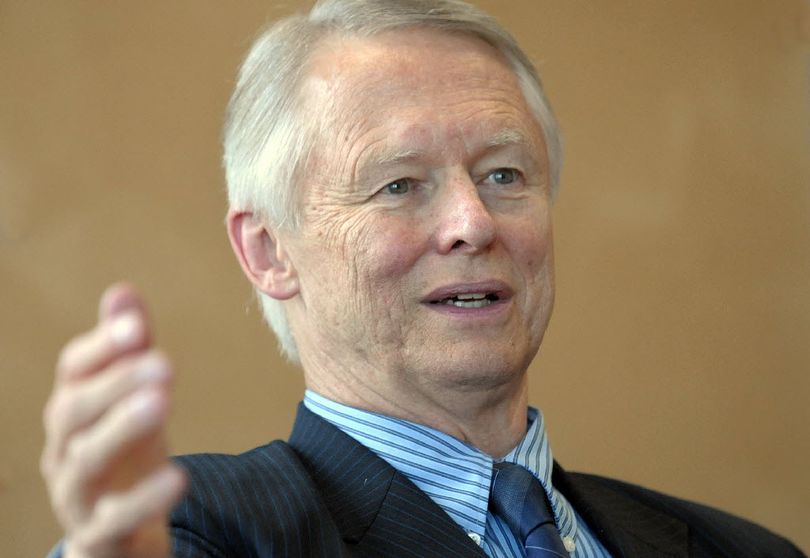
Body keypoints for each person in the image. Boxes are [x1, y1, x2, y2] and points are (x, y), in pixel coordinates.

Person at [41, 1, 805, 557]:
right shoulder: (194, 531)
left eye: (504, 174)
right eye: (399, 185)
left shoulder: (741, 550)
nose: (473, 222)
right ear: (271, 252)